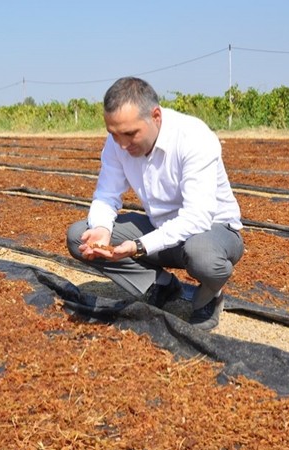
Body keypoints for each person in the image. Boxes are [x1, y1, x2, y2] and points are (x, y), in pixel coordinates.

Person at [66, 76, 244, 330]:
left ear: (156, 116)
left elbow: (198, 218)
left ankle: (209, 296)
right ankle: (161, 286)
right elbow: (106, 195)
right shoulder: (118, 141)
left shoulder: (193, 137)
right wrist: (102, 230)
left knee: (202, 255)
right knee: (79, 237)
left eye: (130, 134)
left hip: (212, 231)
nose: (122, 144)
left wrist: (138, 246)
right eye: (113, 134)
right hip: (159, 227)